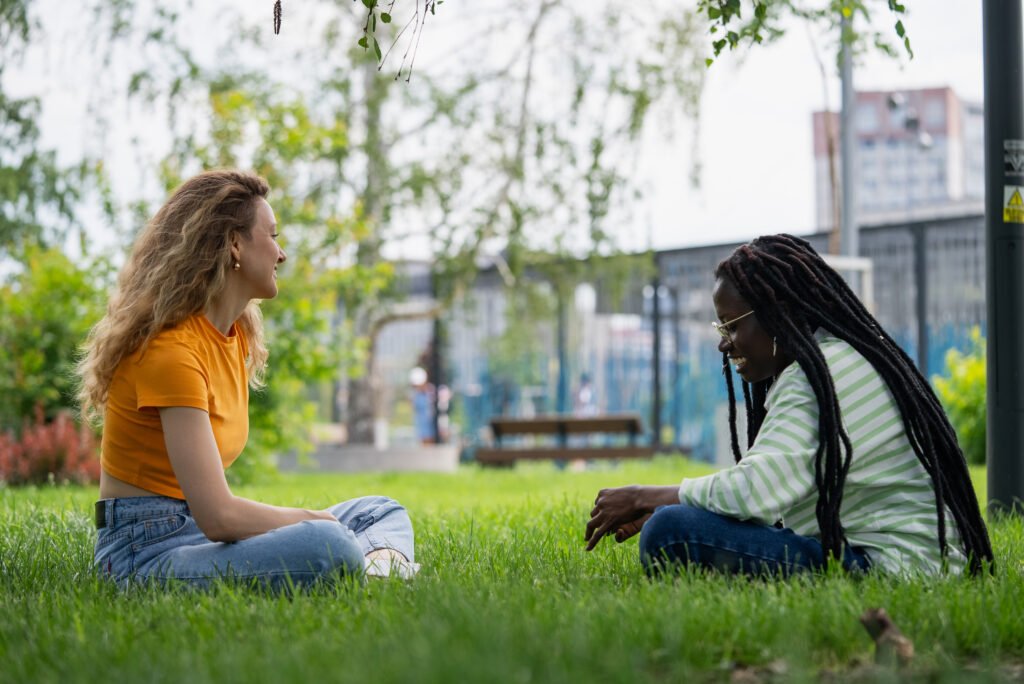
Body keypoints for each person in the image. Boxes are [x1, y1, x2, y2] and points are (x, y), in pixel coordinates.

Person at [77, 170, 417, 589]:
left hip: (197, 534)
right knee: (328, 541)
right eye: (272, 235)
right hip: (145, 554)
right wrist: (311, 520)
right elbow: (220, 517)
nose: (281, 253)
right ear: (234, 244)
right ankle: (371, 566)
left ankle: (370, 572)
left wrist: (312, 524)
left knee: (380, 511)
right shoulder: (171, 354)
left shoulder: (233, 337)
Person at [585, 234, 993, 576]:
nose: (724, 343)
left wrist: (646, 497)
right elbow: (773, 494)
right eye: (720, 327)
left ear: (777, 314)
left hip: (886, 568)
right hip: (923, 561)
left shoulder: (812, 378)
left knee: (671, 530)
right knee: (677, 517)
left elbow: (754, 492)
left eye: (732, 325)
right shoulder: (847, 356)